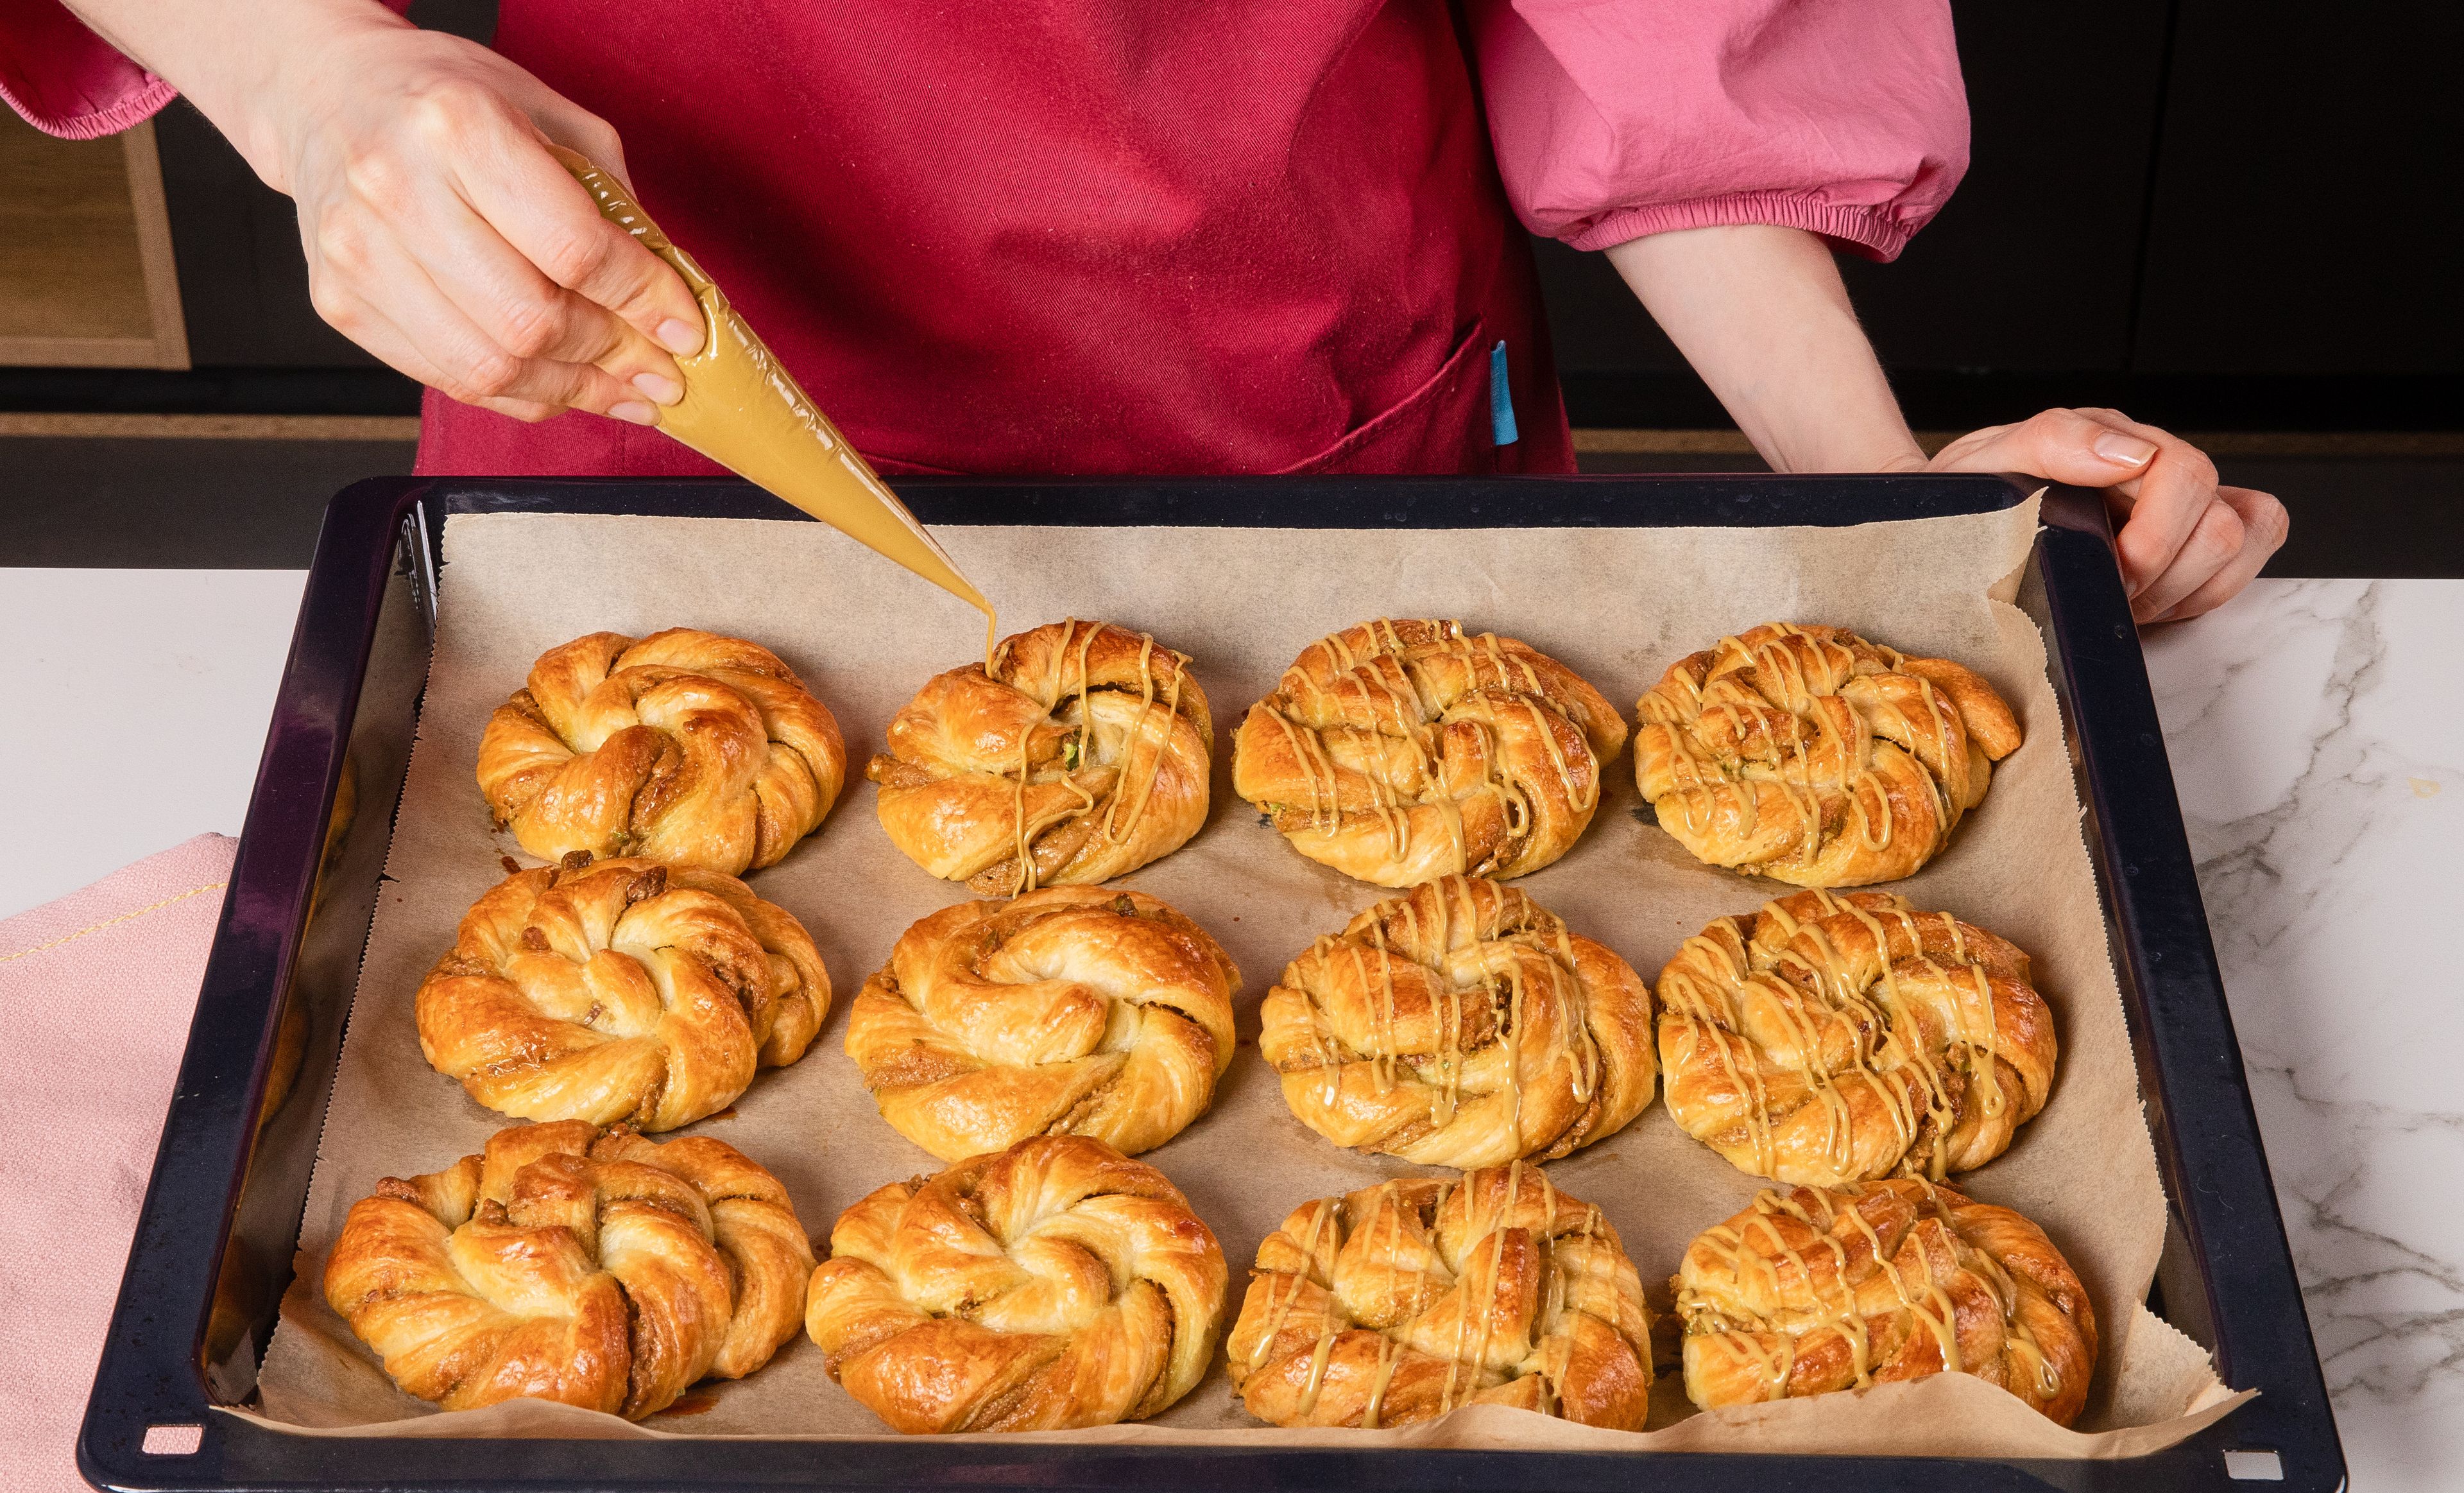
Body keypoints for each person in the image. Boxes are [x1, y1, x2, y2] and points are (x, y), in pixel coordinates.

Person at [6, 0, 2284, 621]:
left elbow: (1662, 28)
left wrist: (1885, 515)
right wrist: (312, 76)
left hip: (1330, 449)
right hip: (650, 424)